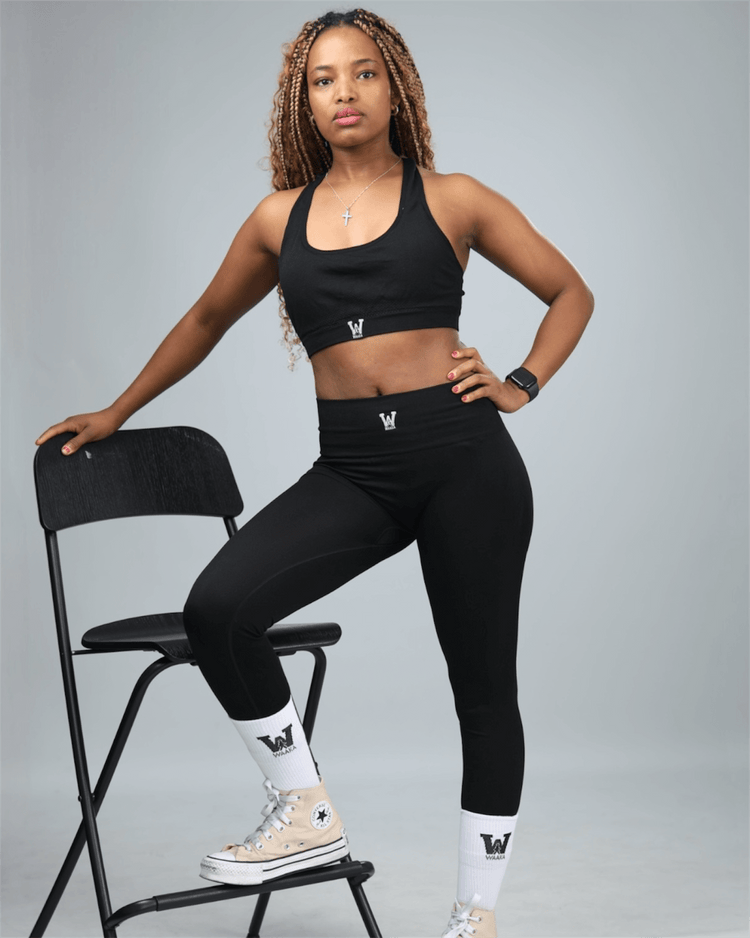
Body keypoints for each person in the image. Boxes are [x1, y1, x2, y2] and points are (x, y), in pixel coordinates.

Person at [35, 8, 594, 937]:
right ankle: (307, 809)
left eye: (363, 72)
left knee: (484, 690)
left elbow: (570, 291)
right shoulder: (277, 219)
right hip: (356, 470)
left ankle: (475, 917)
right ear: (304, 100)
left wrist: (522, 383)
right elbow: (205, 320)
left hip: (464, 462)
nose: (345, 92)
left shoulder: (454, 199)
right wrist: (116, 411)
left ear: (393, 88)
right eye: (324, 78)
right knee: (220, 608)